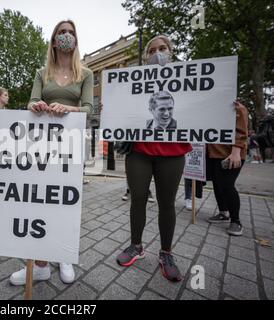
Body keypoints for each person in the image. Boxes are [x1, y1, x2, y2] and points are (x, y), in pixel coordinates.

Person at [9, 20, 93, 286]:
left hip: (70, 144)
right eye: (61, 32)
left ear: (75, 39)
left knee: (65, 202)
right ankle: (40, 264)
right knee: (39, 201)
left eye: (71, 32)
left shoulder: (86, 73)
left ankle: (63, 255)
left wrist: (70, 109)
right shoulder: (41, 72)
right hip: (41, 145)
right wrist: (38, 105)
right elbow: (32, 101)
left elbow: (89, 108)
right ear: (54, 41)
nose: (66, 36)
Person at [115, 35, 192, 282]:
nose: (158, 53)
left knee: (166, 203)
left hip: (173, 153)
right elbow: (122, 110)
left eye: (163, 48)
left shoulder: (188, 80)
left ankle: (166, 253)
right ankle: (136, 246)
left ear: (171, 52)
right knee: (137, 198)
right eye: (152, 50)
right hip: (139, 152)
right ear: (146, 57)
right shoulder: (136, 86)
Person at [206, 101, 248, 236]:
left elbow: (241, 130)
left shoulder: (237, 107)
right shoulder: (212, 107)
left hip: (229, 153)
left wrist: (236, 151)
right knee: (218, 185)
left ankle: (236, 221)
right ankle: (223, 213)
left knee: (227, 185)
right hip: (213, 152)